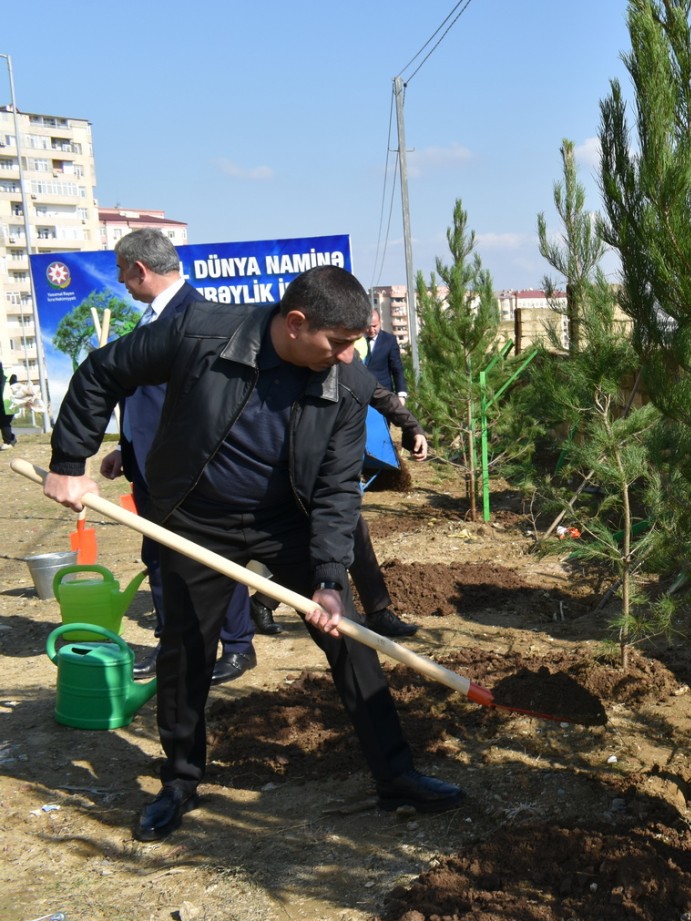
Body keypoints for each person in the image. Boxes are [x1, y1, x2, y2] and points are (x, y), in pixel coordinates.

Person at [44, 264, 463, 842]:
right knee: (187, 651)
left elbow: (338, 488)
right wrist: (69, 463)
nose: (347, 357)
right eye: (338, 343)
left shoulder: (348, 384)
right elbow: (102, 372)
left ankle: (397, 775)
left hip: (286, 521)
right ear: (295, 324)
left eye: (354, 344)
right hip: (192, 519)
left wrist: (327, 579)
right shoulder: (200, 333)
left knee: (348, 638)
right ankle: (180, 780)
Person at [98, 230, 275, 689]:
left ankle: (238, 646)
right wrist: (126, 447)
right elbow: (150, 396)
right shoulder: (151, 318)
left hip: (189, 470)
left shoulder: (199, 317)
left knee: (212, 555)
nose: (120, 280)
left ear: (140, 268)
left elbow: (211, 403)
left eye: (122, 270)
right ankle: (172, 640)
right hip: (149, 466)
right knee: (158, 556)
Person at [250, 382, 427, 639]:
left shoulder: (344, 366)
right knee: (322, 542)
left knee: (351, 533)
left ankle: (262, 603)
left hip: (329, 469)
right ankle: (262, 603)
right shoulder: (294, 363)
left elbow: (381, 395)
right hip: (290, 471)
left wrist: (412, 427)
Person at [360, 309, 407, 397]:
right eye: (368, 326)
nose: (371, 330)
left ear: (380, 322)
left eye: (374, 326)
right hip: (361, 394)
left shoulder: (389, 341)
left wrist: (401, 393)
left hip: (383, 394)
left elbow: (397, 368)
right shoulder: (357, 340)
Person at [0, 370, 16, 449]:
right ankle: (10, 439)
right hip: (5, 403)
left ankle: (8, 442)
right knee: (4, 423)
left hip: (8, 403)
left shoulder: (10, 375)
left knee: (4, 423)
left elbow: (16, 388)